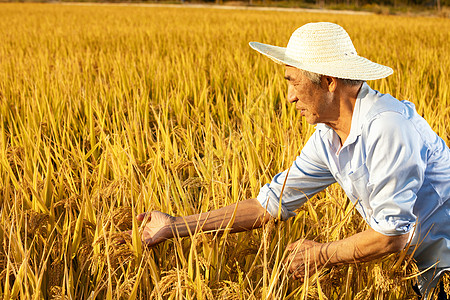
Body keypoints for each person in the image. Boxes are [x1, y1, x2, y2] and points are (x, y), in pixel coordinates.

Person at [134, 22, 450, 299]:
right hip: (428, 271)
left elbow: (392, 236)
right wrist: (175, 226)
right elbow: (268, 205)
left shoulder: (387, 127)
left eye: (294, 82)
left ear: (328, 81)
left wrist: (322, 254)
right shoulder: (329, 136)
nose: (290, 96)